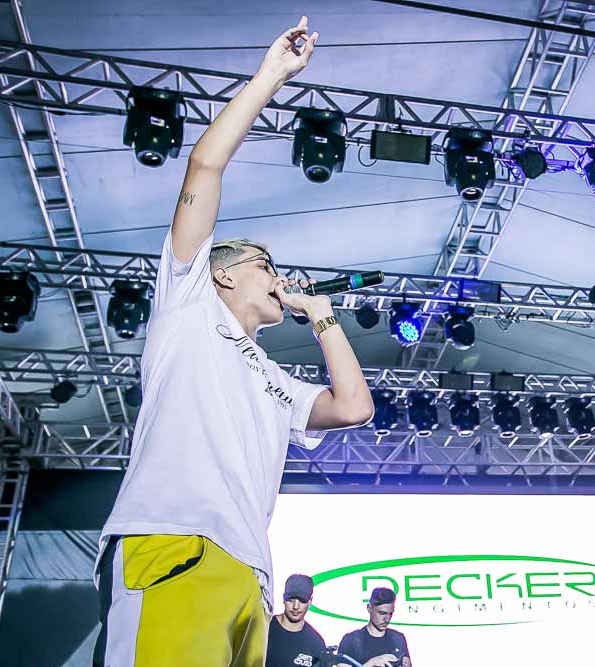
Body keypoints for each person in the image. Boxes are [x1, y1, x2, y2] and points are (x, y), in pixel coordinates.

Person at [92, 16, 375, 666]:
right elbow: (205, 164)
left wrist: (323, 315)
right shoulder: (189, 301)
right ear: (223, 273)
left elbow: (353, 407)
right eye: (264, 265)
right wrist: (274, 74)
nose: (278, 276)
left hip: (250, 574)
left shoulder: (274, 378)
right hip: (174, 543)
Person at [336, 588, 411, 667]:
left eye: (390, 614)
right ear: (369, 608)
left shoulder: (398, 639)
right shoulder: (351, 640)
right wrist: (372, 663)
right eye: (382, 613)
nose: (387, 619)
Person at [266, 574, 326, 667]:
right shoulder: (265, 630)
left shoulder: (316, 643)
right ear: (283, 598)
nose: (295, 606)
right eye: (291, 600)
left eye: (302, 601)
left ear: (310, 601)